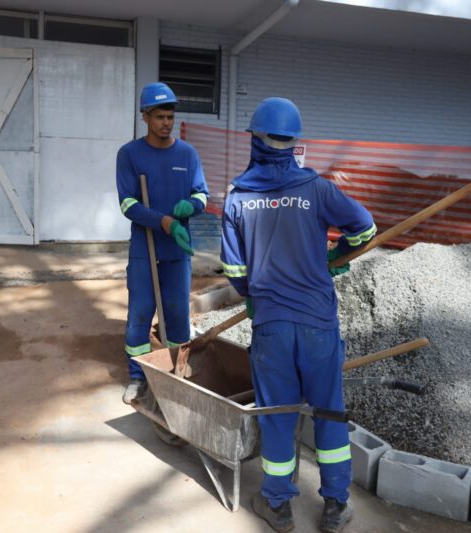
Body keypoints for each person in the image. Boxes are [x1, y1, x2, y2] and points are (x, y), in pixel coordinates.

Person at [220, 97, 376, 533]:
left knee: (277, 414)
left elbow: (234, 270)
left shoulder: (238, 199)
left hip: (271, 327)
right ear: (293, 145)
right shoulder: (318, 190)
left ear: (254, 139)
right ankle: (335, 506)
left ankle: (278, 507)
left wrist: (253, 297)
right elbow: (365, 228)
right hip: (317, 326)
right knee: (328, 411)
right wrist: (337, 255)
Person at [116, 82, 209, 404]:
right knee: (140, 316)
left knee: (178, 315)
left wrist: (192, 206)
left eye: (170, 116)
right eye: (159, 117)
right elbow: (128, 204)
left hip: (177, 252)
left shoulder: (187, 153)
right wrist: (164, 221)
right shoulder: (130, 154)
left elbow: (201, 193)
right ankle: (138, 377)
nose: (166, 123)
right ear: (145, 117)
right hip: (145, 249)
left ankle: (176, 371)